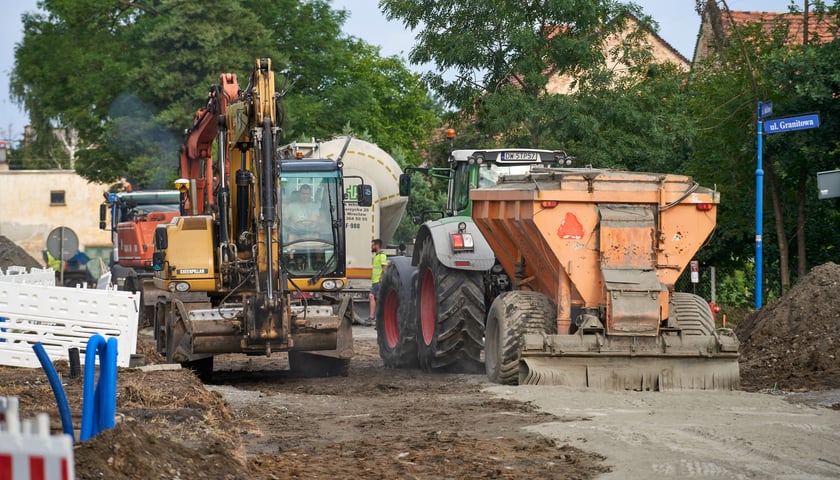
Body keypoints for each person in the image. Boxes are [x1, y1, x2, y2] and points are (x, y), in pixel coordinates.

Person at [367, 238, 387, 326]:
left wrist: (381, 278)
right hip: (375, 281)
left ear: (377, 245)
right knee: (375, 298)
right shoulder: (377, 256)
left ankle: (372, 317)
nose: (371, 246)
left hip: (378, 282)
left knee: (372, 296)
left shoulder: (382, 256)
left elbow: (384, 267)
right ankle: (374, 318)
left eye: (372, 245)